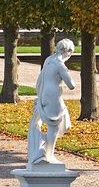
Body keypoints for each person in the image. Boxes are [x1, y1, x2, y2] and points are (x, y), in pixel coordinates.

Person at [28, 38, 76, 166]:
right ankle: (46, 154)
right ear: (68, 52)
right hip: (53, 97)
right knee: (55, 126)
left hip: (45, 95)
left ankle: (45, 151)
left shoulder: (48, 60)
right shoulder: (60, 65)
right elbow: (71, 85)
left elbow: (40, 79)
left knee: (61, 124)